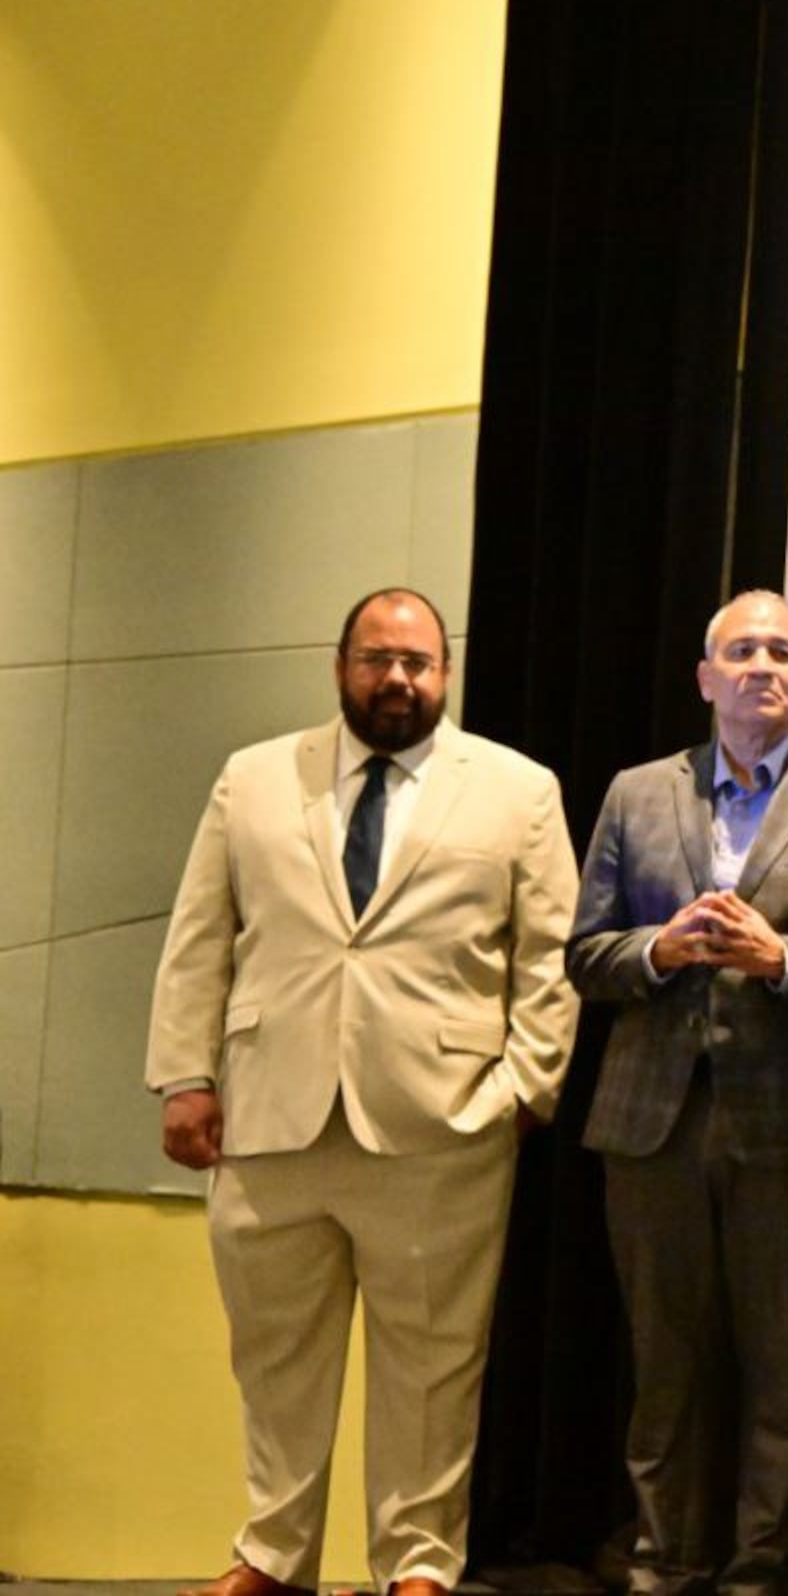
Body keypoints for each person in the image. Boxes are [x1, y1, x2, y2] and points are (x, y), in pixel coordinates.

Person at [146, 588, 579, 1596]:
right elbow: (200, 936)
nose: (397, 678)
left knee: (431, 1363)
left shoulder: (518, 789)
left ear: (446, 674)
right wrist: (185, 1074)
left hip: (444, 1121)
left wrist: (525, 1088)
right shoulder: (252, 778)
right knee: (274, 1356)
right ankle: (274, 1553)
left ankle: (417, 1565)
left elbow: (547, 958)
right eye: (377, 658)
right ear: (339, 664)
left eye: (418, 662)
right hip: (269, 1115)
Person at [567, 589, 788, 1593]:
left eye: (783, 652)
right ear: (705, 677)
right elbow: (584, 954)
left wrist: (782, 959)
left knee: (784, 1371)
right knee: (666, 1368)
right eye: (741, 650)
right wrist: (661, 949)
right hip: (650, 1122)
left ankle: (762, 1572)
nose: (762, 665)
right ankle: (664, 1563)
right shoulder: (637, 793)